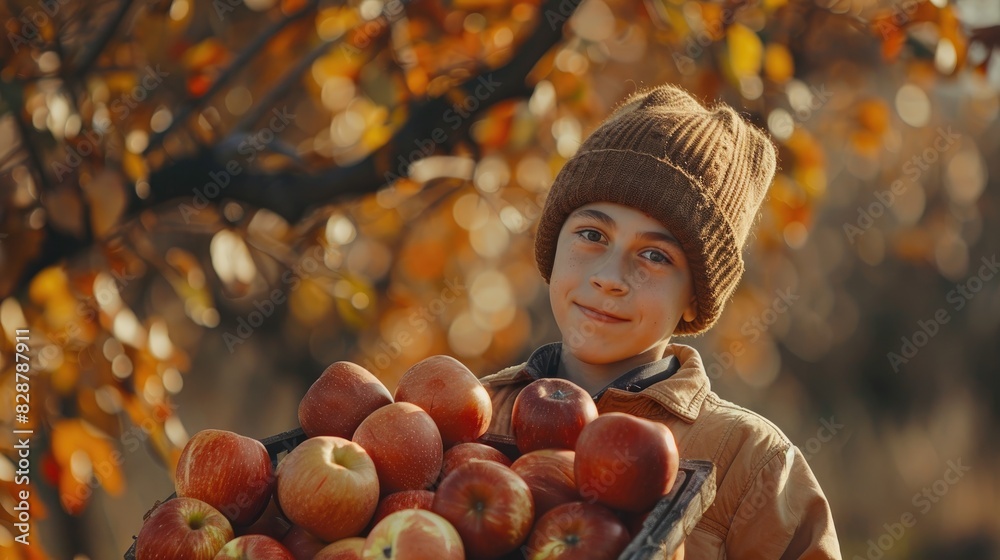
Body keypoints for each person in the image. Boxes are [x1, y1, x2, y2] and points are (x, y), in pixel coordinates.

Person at [478, 84, 842, 559]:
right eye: (591, 234)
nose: (610, 277)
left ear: (695, 298)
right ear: (553, 245)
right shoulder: (475, 414)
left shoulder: (752, 462)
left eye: (654, 255)